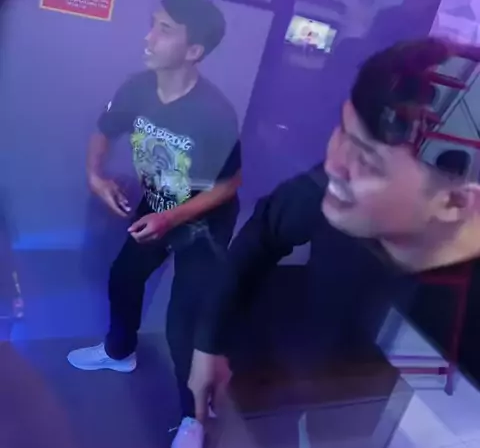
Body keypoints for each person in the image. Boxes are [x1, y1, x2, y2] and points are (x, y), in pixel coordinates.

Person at [188, 37, 480, 427]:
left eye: (368, 161)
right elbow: (264, 232)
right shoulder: (326, 194)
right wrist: (208, 344)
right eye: (342, 131)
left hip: (373, 409)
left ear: (455, 203)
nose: (334, 164)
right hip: (306, 377)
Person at [67, 0, 241, 448]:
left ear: (194, 51)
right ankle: (119, 351)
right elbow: (105, 129)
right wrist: (95, 175)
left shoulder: (215, 112)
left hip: (203, 222)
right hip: (159, 203)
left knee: (183, 321)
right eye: (153, 24)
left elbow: (229, 184)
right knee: (124, 277)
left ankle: (193, 417)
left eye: (164, 30)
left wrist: (170, 220)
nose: (148, 37)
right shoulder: (137, 87)